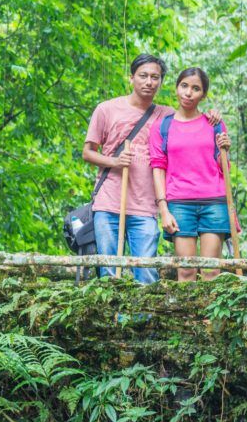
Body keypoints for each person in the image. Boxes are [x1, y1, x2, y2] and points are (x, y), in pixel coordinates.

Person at [83, 55, 222, 283]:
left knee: (146, 272)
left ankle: (143, 319)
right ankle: (110, 319)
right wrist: (114, 162)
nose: (149, 82)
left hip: (145, 207)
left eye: (155, 77)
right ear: (131, 78)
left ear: (161, 82)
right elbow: (87, 152)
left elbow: (192, 119)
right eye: (143, 76)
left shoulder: (167, 116)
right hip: (108, 203)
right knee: (108, 270)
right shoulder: (106, 109)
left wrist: (213, 116)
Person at [150, 67, 233, 282]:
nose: (188, 93)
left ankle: (211, 318)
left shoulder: (214, 124)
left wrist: (225, 149)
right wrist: (163, 209)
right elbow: (158, 168)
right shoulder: (162, 126)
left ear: (203, 95)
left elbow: (224, 169)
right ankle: (187, 317)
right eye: (184, 86)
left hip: (214, 202)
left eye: (196, 89)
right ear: (176, 88)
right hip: (180, 203)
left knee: (211, 272)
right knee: (185, 271)